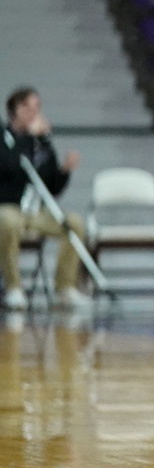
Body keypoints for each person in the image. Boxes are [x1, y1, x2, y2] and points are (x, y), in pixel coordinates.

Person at [1, 88, 87, 311]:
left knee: (74, 223)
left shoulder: (40, 143)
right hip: (8, 208)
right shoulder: (4, 138)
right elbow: (10, 167)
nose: (34, 112)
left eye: (37, 108)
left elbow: (51, 187)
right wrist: (29, 137)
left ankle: (64, 287)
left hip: (35, 212)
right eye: (28, 107)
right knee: (7, 222)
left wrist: (64, 170)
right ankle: (13, 288)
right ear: (14, 110)